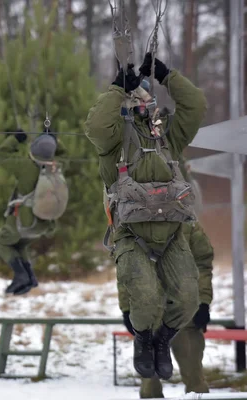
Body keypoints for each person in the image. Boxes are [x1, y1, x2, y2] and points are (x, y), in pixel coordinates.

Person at [85, 52, 207, 380]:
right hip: (131, 235)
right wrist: (115, 90)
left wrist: (167, 75)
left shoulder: (169, 136)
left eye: (146, 98)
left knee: (187, 297)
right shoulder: (113, 142)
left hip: (171, 235)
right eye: (135, 97)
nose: (142, 104)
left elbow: (195, 105)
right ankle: (143, 340)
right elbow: (96, 126)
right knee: (146, 295)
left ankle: (162, 341)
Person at [119, 155, 213, 398]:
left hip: (184, 317)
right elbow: (126, 271)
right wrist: (127, 308)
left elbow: (203, 263)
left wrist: (202, 302)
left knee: (195, 376)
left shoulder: (189, 226)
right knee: (150, 383)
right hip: (151, 313)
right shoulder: (134, 222)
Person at [0, 128, 67, 295]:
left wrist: (15, 139)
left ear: (33, 151)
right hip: (43, 224)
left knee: (0, 241)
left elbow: (0, 155)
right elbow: (63, 153)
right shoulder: (58, 166)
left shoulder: (25, 166)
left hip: (23, 222)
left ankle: (20, 275)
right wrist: (53, 138)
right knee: (19, 245)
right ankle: (30, 277)